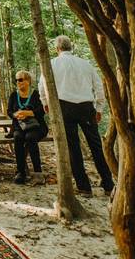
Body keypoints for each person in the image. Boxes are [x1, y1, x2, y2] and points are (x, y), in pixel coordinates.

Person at [38, 35, 114, 196]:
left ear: (57, 49)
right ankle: (108, 184)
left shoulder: (52, 64)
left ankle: (84, 186)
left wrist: (45, 103)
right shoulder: (85, 64)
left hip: (65, 107)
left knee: (73, 147)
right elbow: (99, 87)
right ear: (70, 47)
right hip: (86, 107)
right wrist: (98, 108)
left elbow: (42, 85)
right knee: (96, 145)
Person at [8, 70, 48, 185]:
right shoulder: (14, 95)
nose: (18, 82)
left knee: (30, 137)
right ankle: (21, 172)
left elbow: (42, 111)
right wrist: (16, 114)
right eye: (16, 80)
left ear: (28, 81)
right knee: (18, 137)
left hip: (37, 127)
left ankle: (38, 173)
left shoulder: (36, 94)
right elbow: (9, 111)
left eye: (20, 79)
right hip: (20, 127)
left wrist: (27, 113)